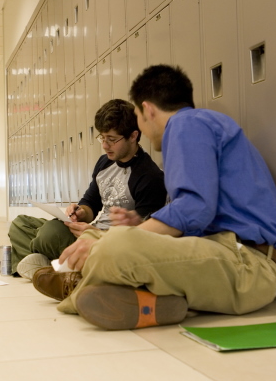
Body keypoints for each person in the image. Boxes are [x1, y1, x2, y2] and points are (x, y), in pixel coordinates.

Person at [32, 65, 276, 330]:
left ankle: (77, 285)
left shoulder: (185, 123)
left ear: (148, 110)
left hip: (248, 267)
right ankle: (152, 304)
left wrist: (132, 235)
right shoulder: (200, 125)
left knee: (114, 244)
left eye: (138, 117)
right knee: (100, 236)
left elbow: (193, 210)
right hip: (223, 257)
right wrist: (137, 229)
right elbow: (197, 213)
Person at [9, 98, 167, 280]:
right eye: (102, 137)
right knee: (20, 224)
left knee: (49, 234)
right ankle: (50, 267)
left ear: (133, 136)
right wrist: (80, 212)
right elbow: (91, 202)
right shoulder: (104, 163)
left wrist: (95, 234)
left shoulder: (149, 177)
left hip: (106, 243)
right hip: (88, 231)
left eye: (112, 139)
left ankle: (49, 268)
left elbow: (142, 234)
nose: (105, 145)